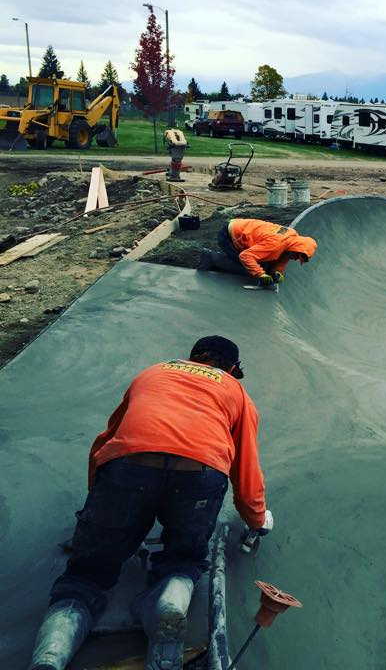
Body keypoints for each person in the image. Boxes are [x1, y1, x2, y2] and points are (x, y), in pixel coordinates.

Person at [27, 336, 272, 670]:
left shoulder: (153, 373)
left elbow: (106, 440)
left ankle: (53, 650)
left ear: (193, 358)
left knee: (85, 575)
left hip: (127, 467)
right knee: (184, 559)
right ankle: (171, 595)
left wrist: (96, 511)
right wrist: (256, 520)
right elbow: (246, 471)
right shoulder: (236, 391)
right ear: (230, 368)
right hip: (199, 474)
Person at [199, 218, 318, 286]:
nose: (296, 259)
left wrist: (278, 271)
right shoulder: (275, 244)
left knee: (264, 265)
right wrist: (260, 274)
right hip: (229, 235)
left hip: (244, 229)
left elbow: (282, 258)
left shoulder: (291, 240)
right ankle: (210, 257)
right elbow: (245, 256)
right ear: (295, 248)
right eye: (297, 256)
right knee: (244, 269)